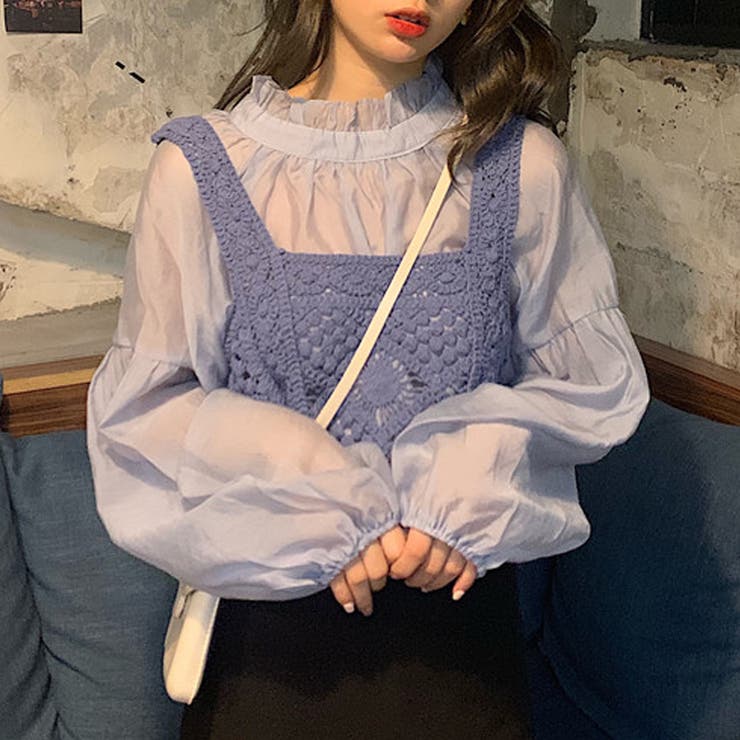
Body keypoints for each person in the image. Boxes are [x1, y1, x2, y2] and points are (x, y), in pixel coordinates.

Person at [86, 0, 650, 734]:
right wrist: (318, 493)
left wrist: (463, 484)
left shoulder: (521, 164)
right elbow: (145, 408)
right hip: (270, 659)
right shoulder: (200, 169)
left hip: (461, 656)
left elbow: (590, 379)